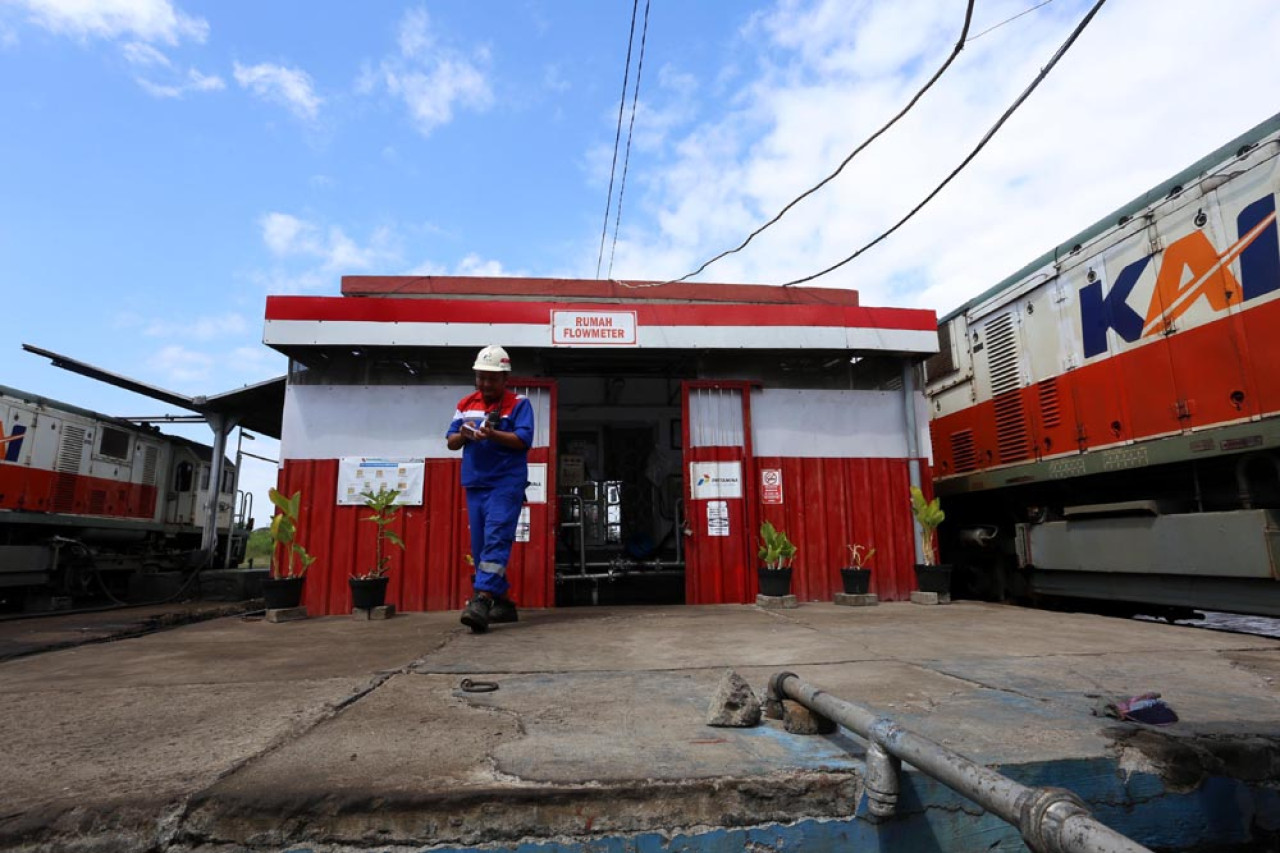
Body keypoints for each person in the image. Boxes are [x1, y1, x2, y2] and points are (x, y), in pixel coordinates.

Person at [446, 345, 534, 633]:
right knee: (481, 546)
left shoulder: (519, 404)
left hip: (506, 482)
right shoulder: (465, 404)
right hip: (475, 482)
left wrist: (492, 434)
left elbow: (523, 440)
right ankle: (503, 603)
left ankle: (482, 599)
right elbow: (451, 442)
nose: (485, 383)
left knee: (497, 537)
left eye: (492, 378)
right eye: (481, 377)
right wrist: (464, 434)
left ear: (505, 379)